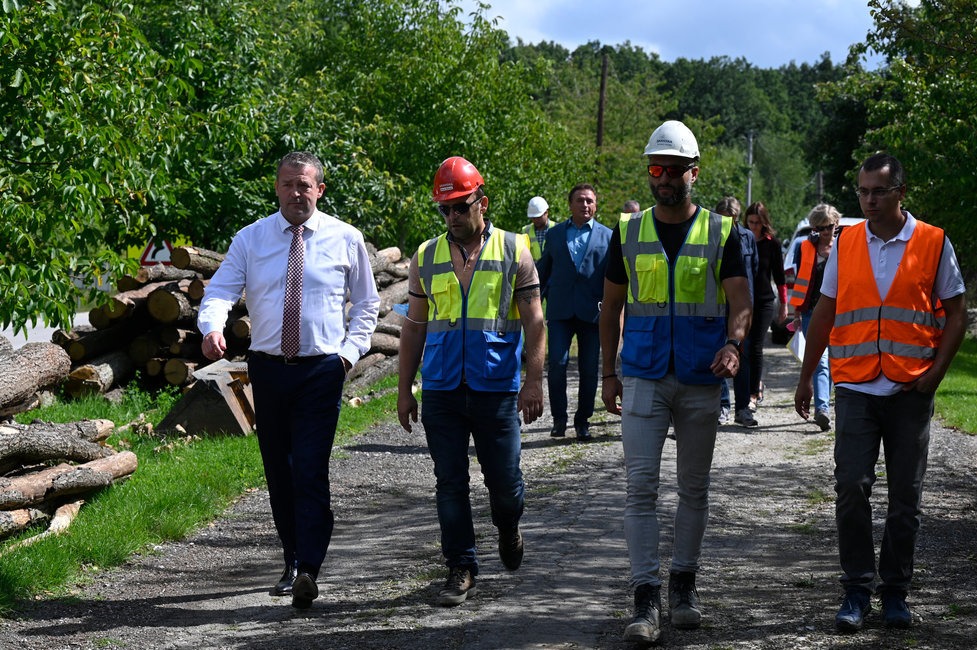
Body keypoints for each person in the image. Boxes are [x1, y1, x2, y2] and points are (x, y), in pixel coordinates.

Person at [198, 151, 380, 609]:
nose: (296, 193)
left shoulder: (345, 238)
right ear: (277, 188)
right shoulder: (252, 238)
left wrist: (348, 355)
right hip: (268, 369)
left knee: (309, 470)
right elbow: (220, 290)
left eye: (305, 185)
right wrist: (212, 327)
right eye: (288, 184)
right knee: (280, 471)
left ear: (320, 190)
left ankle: (309, 568)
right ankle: (292, 558)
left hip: (321, 370)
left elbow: (367, 304)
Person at [794, 153, 966, 632]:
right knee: (851, 486)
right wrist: (807, 376)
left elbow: (957, 312)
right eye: (863, 191)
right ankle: (856, 589)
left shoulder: (932, 241)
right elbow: (825, 310)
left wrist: (935, 375)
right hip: (855, 385)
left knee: (905, 497)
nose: (868, 201)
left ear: (900, 193)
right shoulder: (846, 242)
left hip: (911, 387)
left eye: (879, 192)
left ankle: (895, 592)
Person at [599, 120, 751, 643]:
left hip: (700, 376)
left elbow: (741, 301)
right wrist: (608, 372)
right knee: (639, 488)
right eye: (655, 169)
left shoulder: (722, 231)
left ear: (694, 173)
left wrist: (733, 345)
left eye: (673, 170)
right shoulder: (627, 231)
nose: (662, 178)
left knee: (694, 487)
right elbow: (611, 307)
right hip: (643, 374)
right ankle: (645, 598)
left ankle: (683, 585)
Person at [397, 156, 545, 607]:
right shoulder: (426, 256)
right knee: (450, 483)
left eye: (460, 206)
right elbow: (414, 327)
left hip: (496, 388)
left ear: (483, 202)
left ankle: (509, 525)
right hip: (442, 388)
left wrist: (533, 381)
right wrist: (404, 389)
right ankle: (460, 566)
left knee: (505, 485)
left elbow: (535, 322)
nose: (452, 216)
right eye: (444, 209)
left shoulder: (515, 250)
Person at [536, 183, 612, 440]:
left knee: (589, 369)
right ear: (570, 204)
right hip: (560, 310)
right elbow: (543, 270)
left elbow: (613, 278)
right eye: (580, 200)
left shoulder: (607, 236)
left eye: (590, 201)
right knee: (557, 365)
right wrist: (531, 300)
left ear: (596, 205)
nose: (585, 205)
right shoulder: (555, 234)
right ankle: (559, 420)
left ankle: (583, 421)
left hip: (592, 312)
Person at [788, 203, 841, 432]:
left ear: (836, 224)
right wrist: (797, 313)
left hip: (839, 312)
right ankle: (822, 409)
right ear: (814, 228)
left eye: (829, 226)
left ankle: (824, 404)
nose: (826, 231)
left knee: (833, 360)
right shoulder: (804, 247)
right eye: (820, 228)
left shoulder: (844, 246)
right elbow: (800, 281)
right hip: (811, 312)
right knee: (820, 360)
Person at [714, 196, 758, 427]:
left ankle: (743, 408)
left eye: (731, 219)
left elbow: (754, 270)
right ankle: (722, 406)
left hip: (741, 306)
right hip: (717, 304)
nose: (727, 223)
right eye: (723, 219)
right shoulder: (710, 236)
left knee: (743, 355)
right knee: (718, 352)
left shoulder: (747, 237)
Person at [743, 201, 788, 420]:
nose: (754, 227)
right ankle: (754, 383)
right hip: (743, 300)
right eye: (750, 222)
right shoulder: (741, 240)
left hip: (764, 301)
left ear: (764, 223)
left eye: (757, 223)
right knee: (744, 346)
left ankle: (753, 393)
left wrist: (784, 304)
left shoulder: (772, 244)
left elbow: (780, 277)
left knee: (756, 346)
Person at [521, 196, 555, 261]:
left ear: (546, 213)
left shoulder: (557, 228)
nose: (536, 220)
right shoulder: (526, 231)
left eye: (538, 217)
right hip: (533, 267)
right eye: (533, 218)